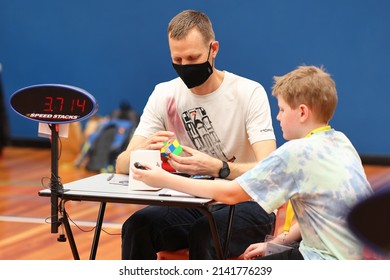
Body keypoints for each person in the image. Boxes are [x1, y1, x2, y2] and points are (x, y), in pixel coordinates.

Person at [132, 65, 374, 260]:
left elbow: (230, 193)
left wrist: (164, 179)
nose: (278, 117)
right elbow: (324, 214)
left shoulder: (297, 152)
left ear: (302, 112)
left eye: (281, 109)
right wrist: (278, 243)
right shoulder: (341, 141)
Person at [116, 10, 277, 259]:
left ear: (214, 49)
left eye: (193, 58)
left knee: (205, 233)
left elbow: (270, 170)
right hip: (194, 202)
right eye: (177, 60)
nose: (185, 67)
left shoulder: (248, 92)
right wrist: (142, 150)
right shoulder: (164, 94)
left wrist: (220, 168)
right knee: (138, 227)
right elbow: (121, 165)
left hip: (250, 204)